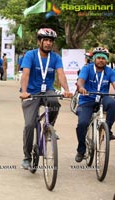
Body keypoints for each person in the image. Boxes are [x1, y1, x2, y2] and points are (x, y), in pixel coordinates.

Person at [20, 28, 72, 169]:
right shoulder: (30, 55)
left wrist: (66, 90)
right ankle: (27, 156)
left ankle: (49, 129)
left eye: (50, 41)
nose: (48, 43)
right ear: (39, 42)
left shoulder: (55, 57)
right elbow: (25, 74)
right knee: (29, 125)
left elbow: (61, 74)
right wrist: (24, 91)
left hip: (47, 91)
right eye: (46, 40)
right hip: (31, 92)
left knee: (55, 102)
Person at [74, 47, 115, 162]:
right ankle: (81, 150)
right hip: (87, 100)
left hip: (103, 99)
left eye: (103, 58)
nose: (101, 60)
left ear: (106, 60)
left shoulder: (110, 71)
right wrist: (81, 87)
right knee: (82, 123)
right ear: (94, 59)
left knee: (112, 103)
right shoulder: (87, 69)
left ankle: (107, 131)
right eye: (98, 58)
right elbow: (80, 81)